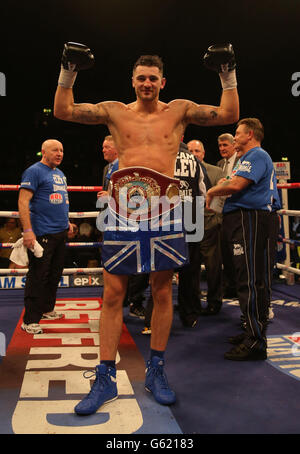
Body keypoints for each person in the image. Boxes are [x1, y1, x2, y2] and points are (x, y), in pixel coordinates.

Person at [54, 42, 239, 414]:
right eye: (141, 78)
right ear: (132, 80)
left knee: (162, 291)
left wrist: (227, 72)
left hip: (167, 206)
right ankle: (105, 377)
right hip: (122, 206)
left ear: (163, 81)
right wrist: (68, 70)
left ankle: (155, 370)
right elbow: (65, 110)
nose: (147, 83)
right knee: (112, 294)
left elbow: (228, 114)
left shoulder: (180, 111)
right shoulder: (115, 112)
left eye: (153, 78)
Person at [206, 118, 274, 361]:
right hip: (240, 219)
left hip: (249, 219)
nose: (234, 138)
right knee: (245, 277)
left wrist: (212, 191)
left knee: (250, 278)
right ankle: (251, 331)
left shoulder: (256, 155)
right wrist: (221, 187)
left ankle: (255, 341)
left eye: (238, 133)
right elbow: (230, 181)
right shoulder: (244, 159)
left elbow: (234, 185)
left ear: (251, 134)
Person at [18, 139, 76, 334]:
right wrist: (27, 231)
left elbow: (60, 201)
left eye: (61, 150)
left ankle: (47, 309)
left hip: (60, 232)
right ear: (43, 151)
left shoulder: (60, 174)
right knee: (38, 276)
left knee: (54, 274)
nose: (59, 153)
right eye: (55, 150)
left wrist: (67, 222)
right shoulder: (34, 171)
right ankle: (30, 320)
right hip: (42, 232)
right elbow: (23, 201)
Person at [187, 139, 225, 315]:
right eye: (191, 151)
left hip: (210, 224)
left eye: (197, 151)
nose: (194, 154)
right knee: (190, 267)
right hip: (189, 226)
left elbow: (220, 200)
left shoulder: (216, 172)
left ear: (203, 153)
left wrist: (217, 221)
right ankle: (191, 303)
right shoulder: (181, 173)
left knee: (213, 266)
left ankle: (214, 302)